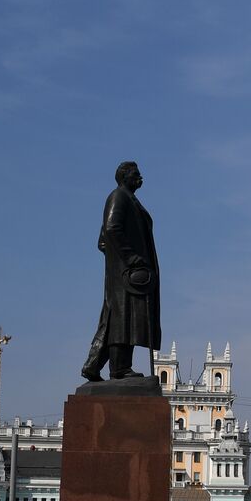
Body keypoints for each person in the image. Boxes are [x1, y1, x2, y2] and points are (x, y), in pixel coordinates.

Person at [80, 161, 161, 382]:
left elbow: (103, 241)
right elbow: (110, 229)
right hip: (126, 274)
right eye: (136, 174)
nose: (140, 177)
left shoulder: (130, 200)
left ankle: (96, 365)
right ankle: (120, 368)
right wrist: (130, 259)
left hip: (128, 273)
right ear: (124, 176)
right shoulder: (119, 197)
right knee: (123, 319)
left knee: (124, 319)